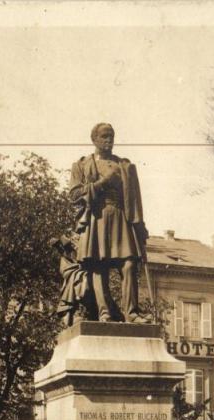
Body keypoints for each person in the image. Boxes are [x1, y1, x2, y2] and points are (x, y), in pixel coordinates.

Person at [69, 123, 151, 323]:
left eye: (112, 136)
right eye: (105, 136)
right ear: (94, 139)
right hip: (96, 218)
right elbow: (74, 195)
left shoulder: (124, 166)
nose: (109, 140)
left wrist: (140, 228)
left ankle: (131, 313)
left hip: (122, 218)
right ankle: (104, 312)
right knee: (99, 265)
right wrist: (104, 182)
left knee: (129, 264)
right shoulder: (81, 165)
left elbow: (136, 200)